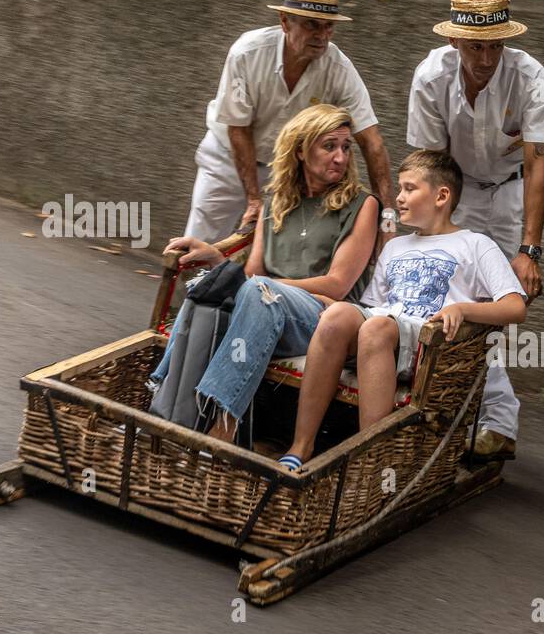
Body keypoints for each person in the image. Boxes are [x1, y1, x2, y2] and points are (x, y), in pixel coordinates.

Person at [277, 150, 527, 471]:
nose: (399, 198)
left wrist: (464, 309)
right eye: (399, 188)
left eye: (409, 188)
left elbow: (515, 307)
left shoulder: (475, 245)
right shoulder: (395, 247)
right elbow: (372, 308)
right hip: (382, 339)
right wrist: (336, 307)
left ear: (442, 196)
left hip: (431, 349)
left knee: (376, 327)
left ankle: (372, 464)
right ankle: (300, 447)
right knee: (340, 316)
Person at [154, 104, 379, 444]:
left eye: (346, 147)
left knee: (258, 291)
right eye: (329, 146)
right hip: (262, 308)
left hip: (323, 320)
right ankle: (160, 402)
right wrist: (218, 261)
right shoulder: (275, 203)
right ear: (301, 150)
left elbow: (338, 283)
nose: (341, 157)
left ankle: (222, 430)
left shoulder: (363, 205)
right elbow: (251, 272)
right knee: (207, 287)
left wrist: (263, 287)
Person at [406, 0, 544, 462]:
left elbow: (537, 165)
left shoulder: (531, 78)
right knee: (442, 297)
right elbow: (431, 166)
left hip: (510, 192)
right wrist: (427, 231)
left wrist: (529, 251)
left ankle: (494, 421)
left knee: (491, 309)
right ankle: (463, 412)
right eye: (476, 47)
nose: (487, 58)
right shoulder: (430, 77)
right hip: (455, 190)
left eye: (495, 46)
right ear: (453, 39)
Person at [183, 0, 397, 244]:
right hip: (227, 158)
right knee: (200, 244)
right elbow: (238, 128)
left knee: (277, 254)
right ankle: (187, 284)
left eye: (328, 26)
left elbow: (371, 141)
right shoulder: (246, 54)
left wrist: (387, 216)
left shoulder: (339, 68)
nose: (321, 35)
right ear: (285, 21)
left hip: (287, 169)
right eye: (311, 24)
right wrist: (253, 198)